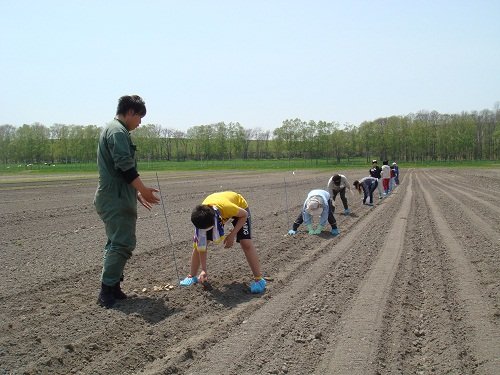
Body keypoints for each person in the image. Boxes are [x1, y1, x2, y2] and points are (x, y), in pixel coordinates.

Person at [94, 95, 160, 308]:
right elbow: (124, 165)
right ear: (130, 112)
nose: (140, 123)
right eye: (139, 117)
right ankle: (106, 290)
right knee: (122, 243)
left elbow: (120, 170)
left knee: (116, 242)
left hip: (117, 195)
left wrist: (137, 193)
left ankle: (113, 287)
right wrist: (142, 189)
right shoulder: (117, 131)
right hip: (115, 198)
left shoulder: (115, 130)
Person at [180, 191, 266, 294]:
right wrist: (204, 270)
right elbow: (201, 246)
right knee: (199, 244)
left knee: (246, 243)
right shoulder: (201, 217)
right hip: (217, 208)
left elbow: (244, 215)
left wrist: (232, 235)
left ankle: (259, 279)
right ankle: (192, 276)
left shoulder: (228, 208)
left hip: (240, 208)